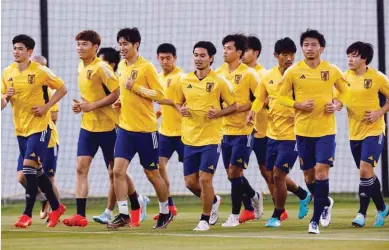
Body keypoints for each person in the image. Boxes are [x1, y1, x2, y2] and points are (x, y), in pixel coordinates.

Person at [277, 29, 349, 234]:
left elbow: (347, 92)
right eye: (306, 45)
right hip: (302, 131)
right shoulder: (293, 71)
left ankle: (315, 220)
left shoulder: (332, 70)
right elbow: (280, 98)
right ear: (302, 48)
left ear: (322, 48)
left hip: (326, 130)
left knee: (321, 171)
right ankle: (325, 201)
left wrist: (337, 104)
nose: (310, 48)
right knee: (309, 176)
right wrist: (297, 104)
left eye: (313, 45)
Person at [108, 27, 172, 229]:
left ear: (136, 45)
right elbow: (125, 94)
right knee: (117, 171)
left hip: (146, 131)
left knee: (152, 174)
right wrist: (119, 102)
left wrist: (135, 88)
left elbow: (160, 95)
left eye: (125, 43)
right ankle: (124, 214)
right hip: (125, 129)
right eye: (120, 44)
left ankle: (165, 211)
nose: (122, 48)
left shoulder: (147, 67)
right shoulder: (121, 67)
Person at [2, 34, 67, 228]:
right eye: (14, 48)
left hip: (40, 127)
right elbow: (2, 102)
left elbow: (63, 89)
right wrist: (6, 96)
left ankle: (26, 214)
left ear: (29, 52)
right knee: (35, 171)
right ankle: (56, 206)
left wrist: (46, 108)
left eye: (20, 48)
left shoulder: (40, 71)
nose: (16, 51)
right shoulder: (7, 72)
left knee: (29, 167)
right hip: (20, 129)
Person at [247, 37, 311, 228]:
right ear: (276, 55)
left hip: (293, 135)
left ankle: (277, 214)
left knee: (277, 175)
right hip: (272, 134)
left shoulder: (300, 74)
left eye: (291, 54)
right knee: (270, 173)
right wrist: (252, 111)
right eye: (284, 55)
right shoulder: (267, 76)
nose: (289, 58)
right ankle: (303, 194)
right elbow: (260, 98)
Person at [62, 30, 123, 228]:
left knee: (115, 172)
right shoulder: (80, 65)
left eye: (84, 44)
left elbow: (116, 93)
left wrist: (93, 105)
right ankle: (80, 215)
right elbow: (90, 97)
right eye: (78, 44)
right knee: (81, 168)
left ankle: (133, 205)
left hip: (109, 127)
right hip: (88, 127)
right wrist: (80, 106)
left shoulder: (102, 67)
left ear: (95, 47)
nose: (80, 48)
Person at [175, 41, 237, 231]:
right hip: (189, 137)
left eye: (202, 56)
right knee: (189, 182)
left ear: (211, 58)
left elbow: (234, 105)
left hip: (211, 138)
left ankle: (204, 219)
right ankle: (214, 200)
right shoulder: (184, 80)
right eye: (196, 55)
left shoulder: (219, 81)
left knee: (204, 179)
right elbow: (177, 102)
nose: (198, 59)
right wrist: (181, 109)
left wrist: (217, 113)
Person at [92, 47, 149, 224]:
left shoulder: (116, 81)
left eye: (103, 63)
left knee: (116, 171)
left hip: (119, 129)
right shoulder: (98, 81)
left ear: (111, 64)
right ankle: (135, 201)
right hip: (106, 129)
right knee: (115, 172)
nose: (99, 66)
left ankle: (112, 211)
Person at [215, 34, 263, 227]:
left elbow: (261, 97)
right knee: (231, 174)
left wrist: (246, 109)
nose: (225, 51)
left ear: (239, 52)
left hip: (244, 130)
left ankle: (235, 215)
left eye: (229, 48)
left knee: (235, 171)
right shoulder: (218, 73)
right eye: (224, 48)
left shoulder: (249, 74)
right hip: (224, 130)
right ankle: (254, 195)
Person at [342, 41, 389, 227]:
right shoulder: (344, 78)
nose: (349, 59)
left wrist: (379, 112)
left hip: (374, 130)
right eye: (348, 56)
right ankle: (382, 207)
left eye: (353, 55)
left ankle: (361, 214)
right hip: (354, 133)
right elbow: (338, 98)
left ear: (364, 58)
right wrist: (335, 105)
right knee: (367, 174)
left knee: (364, 170)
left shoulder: (377, 78)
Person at [153, 43, 185, 220]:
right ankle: (169, 206)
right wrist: (158, 112)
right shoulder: (158, 77)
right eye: (162, 58)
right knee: (157, 167)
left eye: (168, 58)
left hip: (183, 133)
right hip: (165, 132)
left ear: (175, 58)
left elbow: (182, 101)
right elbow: (163, 103)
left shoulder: (182, 77)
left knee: (193, 178)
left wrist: (171, 103)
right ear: (158, 58)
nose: (165, 61)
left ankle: (212, 202)